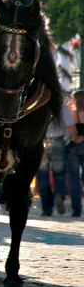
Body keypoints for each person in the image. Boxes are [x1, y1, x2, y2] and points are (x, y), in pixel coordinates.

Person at [36, 97, 81, 216]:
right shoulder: (62, 107)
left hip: (42, 142)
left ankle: (47, 209)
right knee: (59, 173)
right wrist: (75, 138)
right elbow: (70, 126)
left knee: (42, 176)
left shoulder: (39, 106)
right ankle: (59, 195)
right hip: (58, 142)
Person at [66, 89, 84, 217]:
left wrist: (76, 138)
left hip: (74, 147)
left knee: (74, 179)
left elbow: (71, 131)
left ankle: (76, 210)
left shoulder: (72, 113)